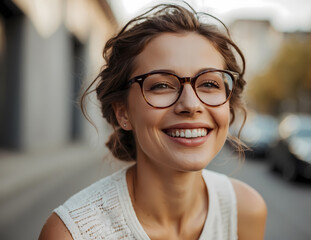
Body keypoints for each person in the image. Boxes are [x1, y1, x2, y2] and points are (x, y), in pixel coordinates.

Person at [39, 3, 267, 240]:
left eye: (209, 84)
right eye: (161, 85)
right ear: (123, 113)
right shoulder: (70, 233)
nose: (191, 105)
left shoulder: (246, 211)